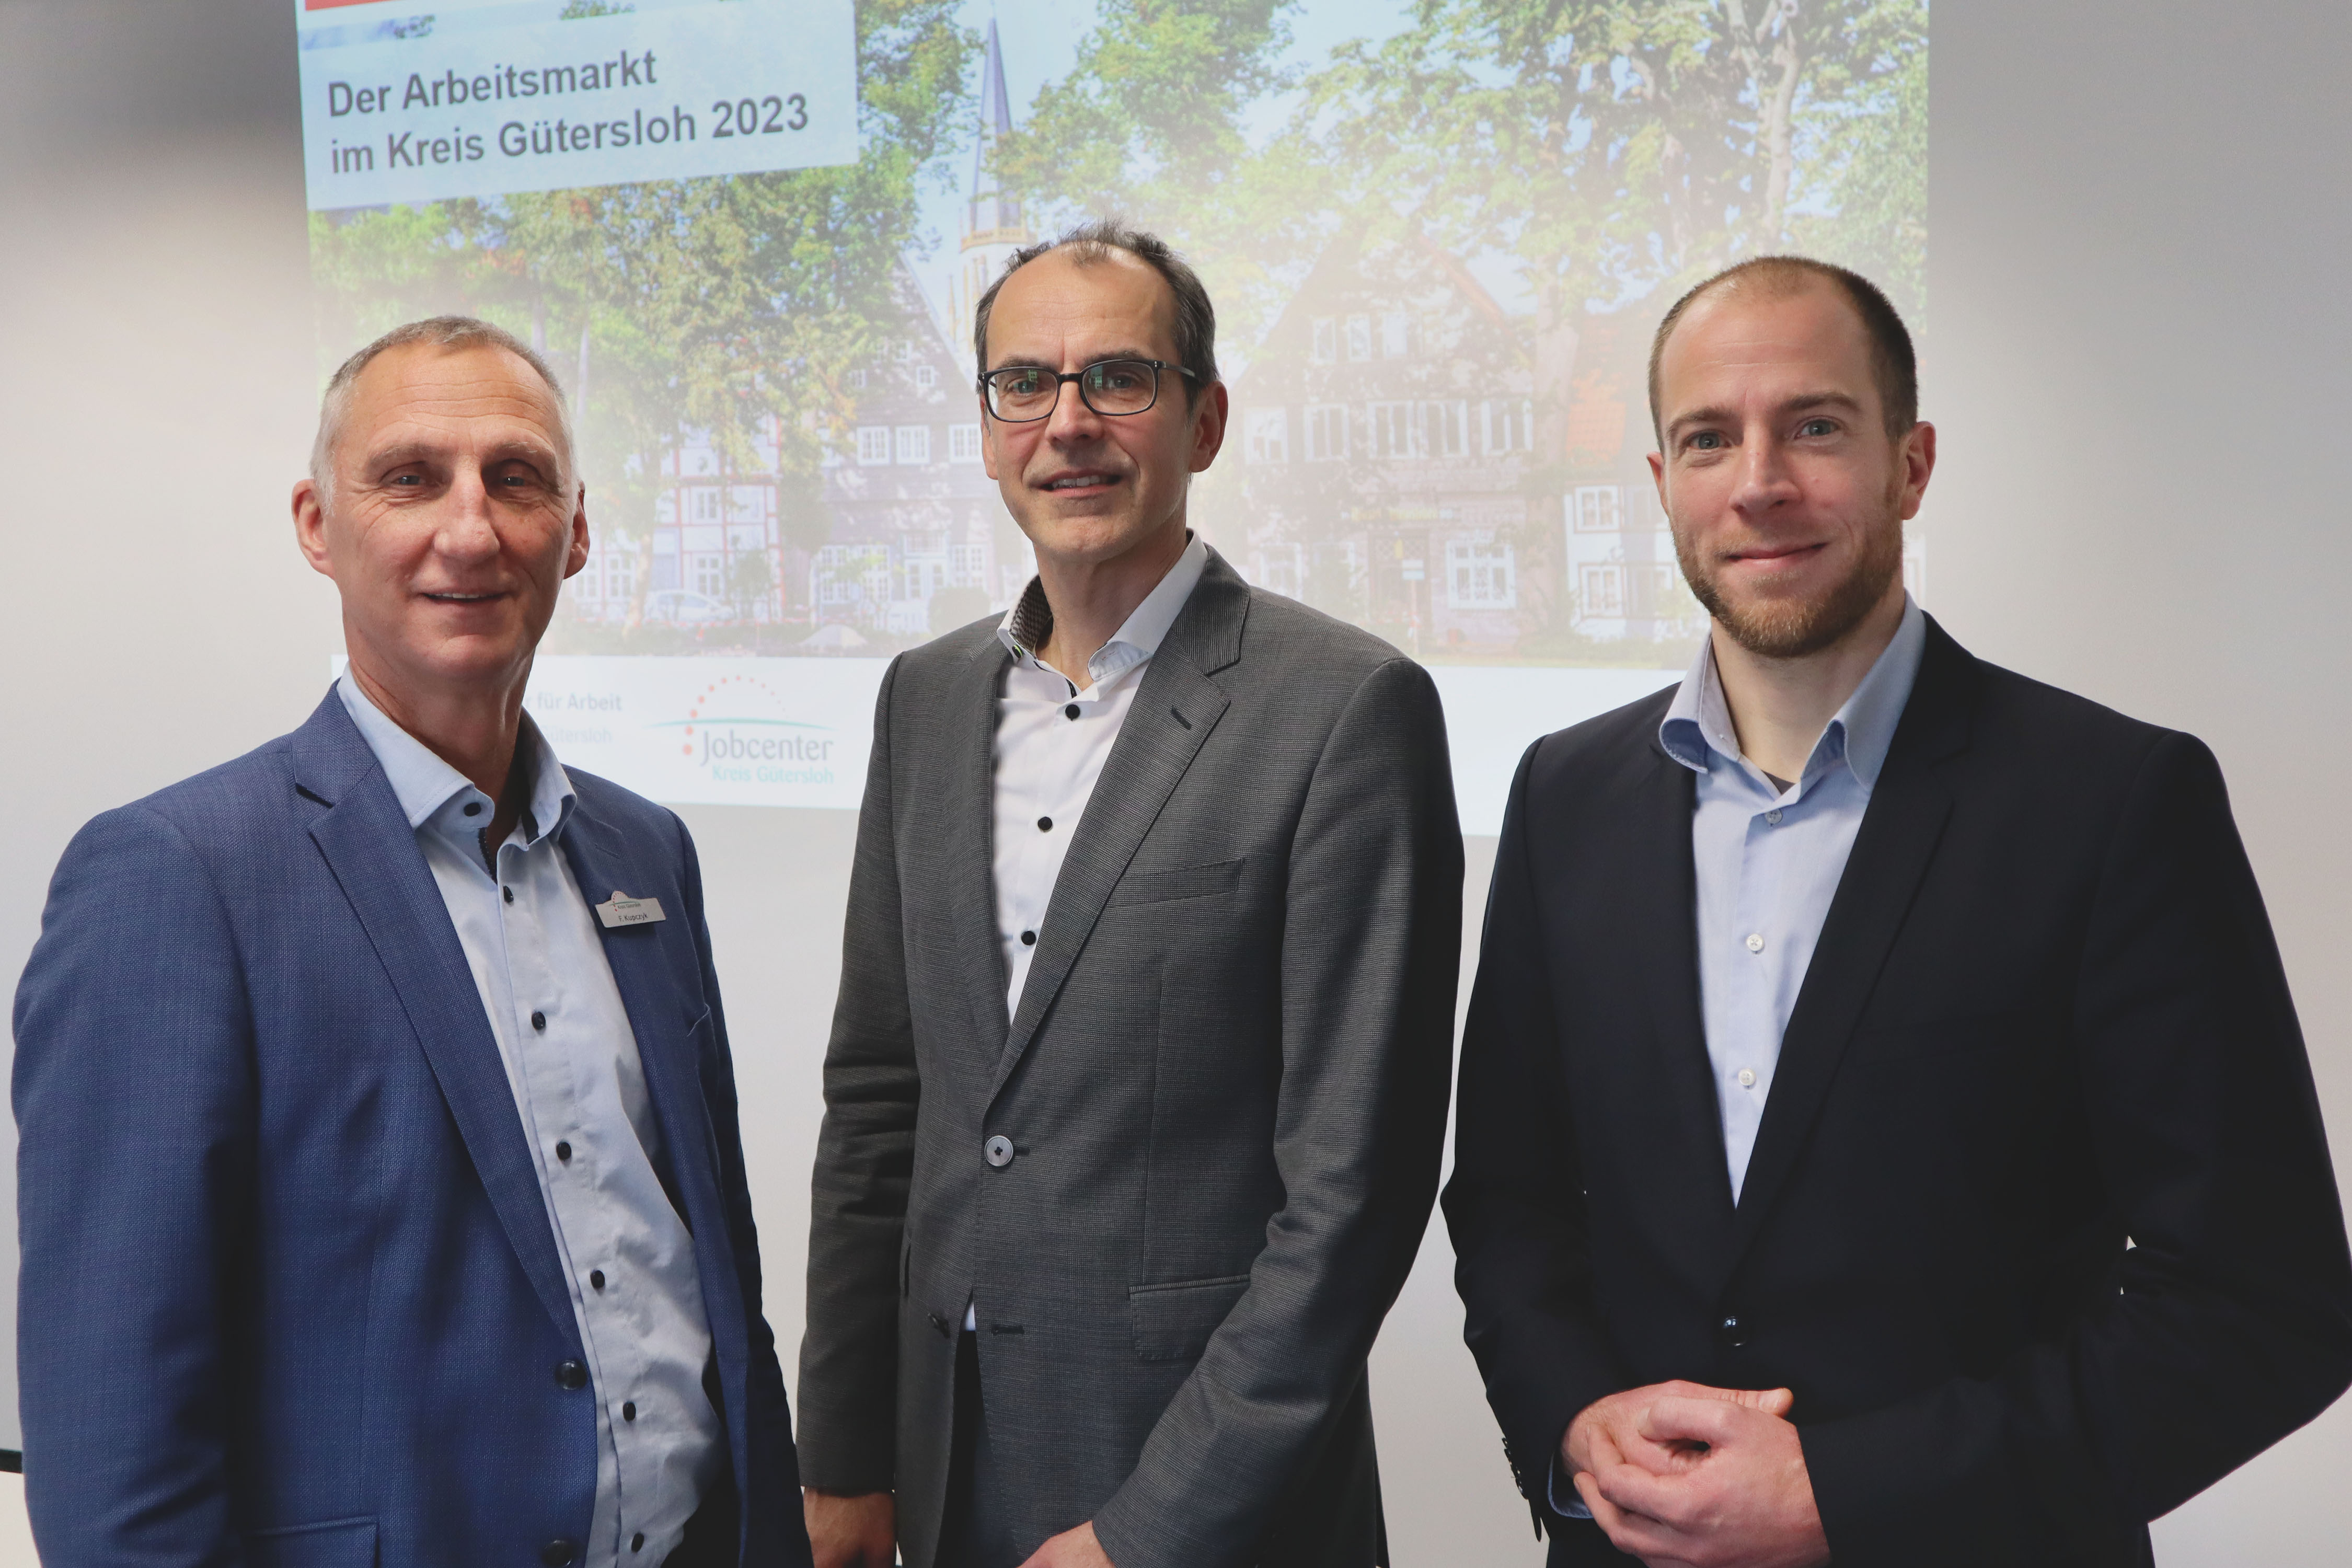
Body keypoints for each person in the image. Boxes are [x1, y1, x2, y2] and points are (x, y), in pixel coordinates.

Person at [1443, 256, 2352, 1566]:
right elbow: (1513, 1204)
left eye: (1814, 425)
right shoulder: (1565, 795)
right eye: (1710, 438)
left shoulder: (2113, 801)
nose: (1758, 480)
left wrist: (1851, 1493)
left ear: (1911, 465)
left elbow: (2263, 1307)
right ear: (1662, 485)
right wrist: (1573, 1425)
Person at [14, 317, 811, 1568]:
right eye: (409, 477)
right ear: (318, 526)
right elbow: (112, 1416)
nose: (471, 529)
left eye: (517, 477)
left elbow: (712, 1264)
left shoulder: (647, 853)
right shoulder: (176, 878)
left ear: (578, 530)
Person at [796, 221, 1463, 1568]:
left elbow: (1354, 1194)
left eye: (1120, 379)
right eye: (1023, 385)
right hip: (939, 1472)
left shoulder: (1345, 708)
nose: (1068, 424)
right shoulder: (922, 702)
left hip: (1207, 1501)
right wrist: (845, 1458)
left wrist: (1147, 1535)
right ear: (988, 432)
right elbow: (881, 1104)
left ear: (1205, 420)